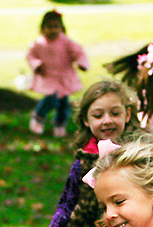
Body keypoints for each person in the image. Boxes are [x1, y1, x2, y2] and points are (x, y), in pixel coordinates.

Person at [36, 80, 141, 227]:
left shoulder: (139, 155)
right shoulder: (83, 161)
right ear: (86, 119)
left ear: (127, 114)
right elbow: (66, 204)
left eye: (115, 113)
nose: (107, 120)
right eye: (98, 115)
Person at [26, 10, 89, 138]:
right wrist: (36, 65)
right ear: (43, 28)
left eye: (56, 27)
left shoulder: (66, 42)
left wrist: (81, 63)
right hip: (48, 77)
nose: (53, 30)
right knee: (51, 99)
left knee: (63, 104)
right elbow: (31, 56)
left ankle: (60, 124)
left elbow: (78, 52)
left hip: (63, 77)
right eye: (49, 27)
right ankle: (38, 118)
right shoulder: (39, 43)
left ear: (61, 28)